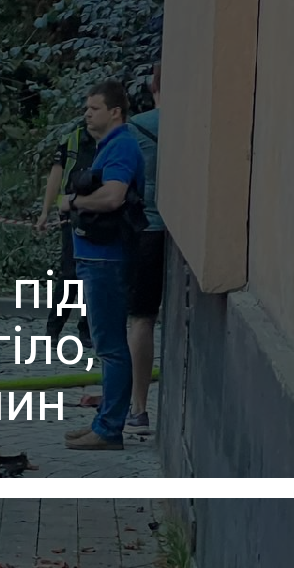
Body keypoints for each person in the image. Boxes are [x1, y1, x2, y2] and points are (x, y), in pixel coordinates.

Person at [61, 79, 147, 451]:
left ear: (115, 112)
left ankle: (109, 428)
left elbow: (113, 197)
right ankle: (104, 422)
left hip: (105, 259)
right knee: (107, 345)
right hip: (97, 257)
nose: (87, 114)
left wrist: (73, 203)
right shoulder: (108, 147)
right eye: (86, 108)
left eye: (94, 108)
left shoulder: (122, 147)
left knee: (111, 347)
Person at [124, 62, 165, 434]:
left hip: (146, 230)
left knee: (140, 320)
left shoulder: (136, 129)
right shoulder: (198, 126)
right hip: (180, 234)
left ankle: (137, 406)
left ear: (153, 87)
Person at [36, 121, 98, 348]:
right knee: (70, 273)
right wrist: (45, 212)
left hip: (101, 214)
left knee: (94, 272)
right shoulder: (72, 140)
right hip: (72, 214)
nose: (89, 114)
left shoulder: (114, 141)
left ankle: (87, 329)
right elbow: (56, 174)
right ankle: (53, 329)